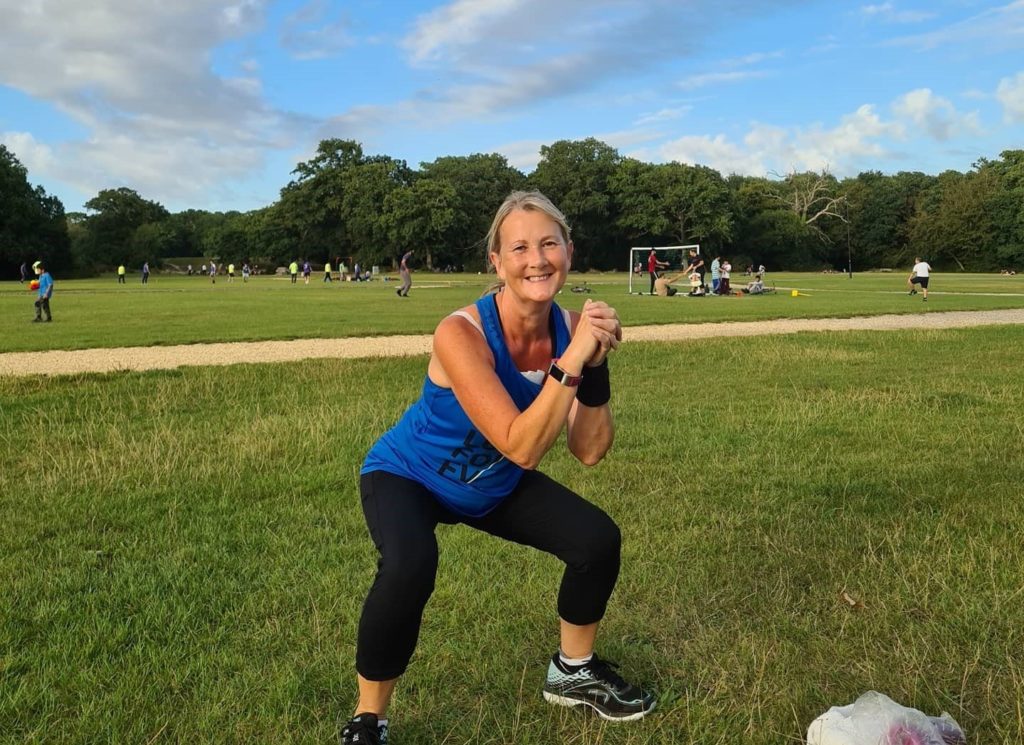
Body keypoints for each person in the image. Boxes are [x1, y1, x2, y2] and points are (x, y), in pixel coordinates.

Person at [341, 191, 653, 745]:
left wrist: (595, 364)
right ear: (498, 261)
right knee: (411, 563)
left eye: (549, 244)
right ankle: (369, 720)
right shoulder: (460, 332)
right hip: (410, 474)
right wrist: (573, 359)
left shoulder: (573, 329)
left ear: (569, 251)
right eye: (520, 248)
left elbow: (589, 450)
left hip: (490, 483)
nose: (537, 260)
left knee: (596, 540)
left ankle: (573, 671)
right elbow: (523, 447)